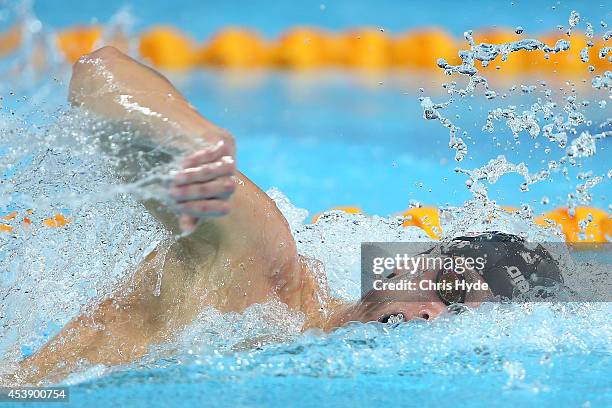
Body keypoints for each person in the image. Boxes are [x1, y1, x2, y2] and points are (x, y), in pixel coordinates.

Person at [13, 47, 562, 385]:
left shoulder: (307, 346)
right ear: (398, 266)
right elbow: (99, 74)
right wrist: (188, 135)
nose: (430, 317)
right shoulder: (261, 268)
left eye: (458, 317)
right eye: (447, 289)